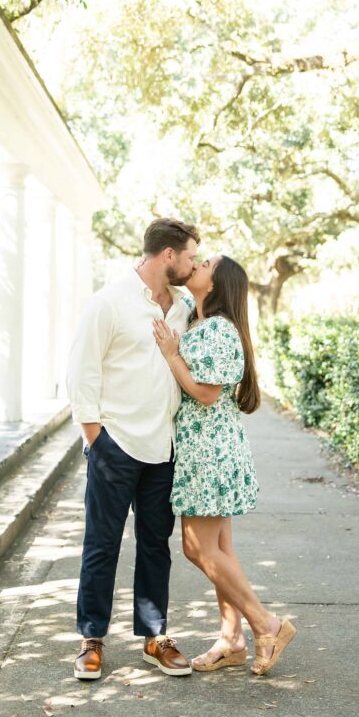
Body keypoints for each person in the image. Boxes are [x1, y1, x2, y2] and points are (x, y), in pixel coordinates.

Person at [67, 217, 200, 681]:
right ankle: (91, 639)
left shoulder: (183, 306)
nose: (193, 265)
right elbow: (82, 370)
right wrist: (94, 438)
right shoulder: (109, 302)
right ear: (168, 255)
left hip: (164, 446)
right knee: (101, 545)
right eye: (189, 257)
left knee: (155, 545)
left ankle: (154, 636)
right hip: (116, 444)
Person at [152, 254, 296, 676]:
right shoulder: (203, 324)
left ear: (216, 284)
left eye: (205, 263)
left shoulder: (216, 329)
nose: (196, 264)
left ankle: (266, 624)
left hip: (209, 450)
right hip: (210, 447)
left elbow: (206, 393)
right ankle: (230, 639)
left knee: (197, 548)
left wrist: (170, 354)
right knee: (220, 549)